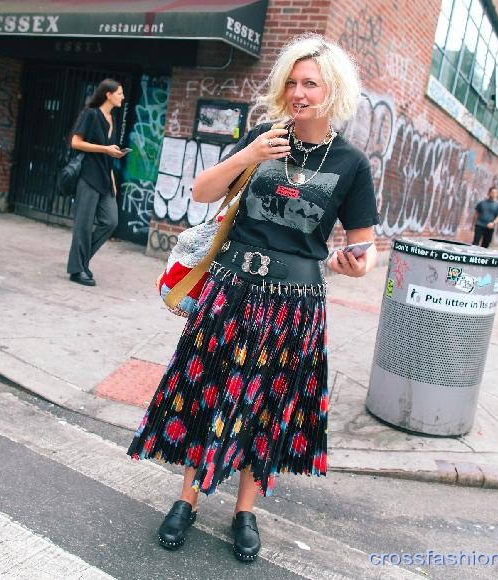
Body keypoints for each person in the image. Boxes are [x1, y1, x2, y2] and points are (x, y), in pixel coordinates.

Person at [127, 34, 379, 563]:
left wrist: (354, 264)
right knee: (213, 390)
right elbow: (200, 192)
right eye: (291, 81)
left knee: (266, 405)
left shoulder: (352, 164)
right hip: (232, 289)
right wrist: (250, 151)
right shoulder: (263, 136)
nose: (298, 92)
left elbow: (364, 246)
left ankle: (246, 510)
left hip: (294, 302)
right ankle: (187, 499)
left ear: (333, 93)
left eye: (310, 83)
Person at [66, 78, 126, 286]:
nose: (122, 97)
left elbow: (108, 154)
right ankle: (77, 270)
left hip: (104, 177)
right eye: (119, 93)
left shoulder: (113, 119)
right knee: (83, 226)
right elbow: (76, 142)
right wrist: (105, 149)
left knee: (111, 221)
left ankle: (80, 262)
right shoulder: (91, 114)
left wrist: (112, 180)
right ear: (108, 94)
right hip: (88, 176)